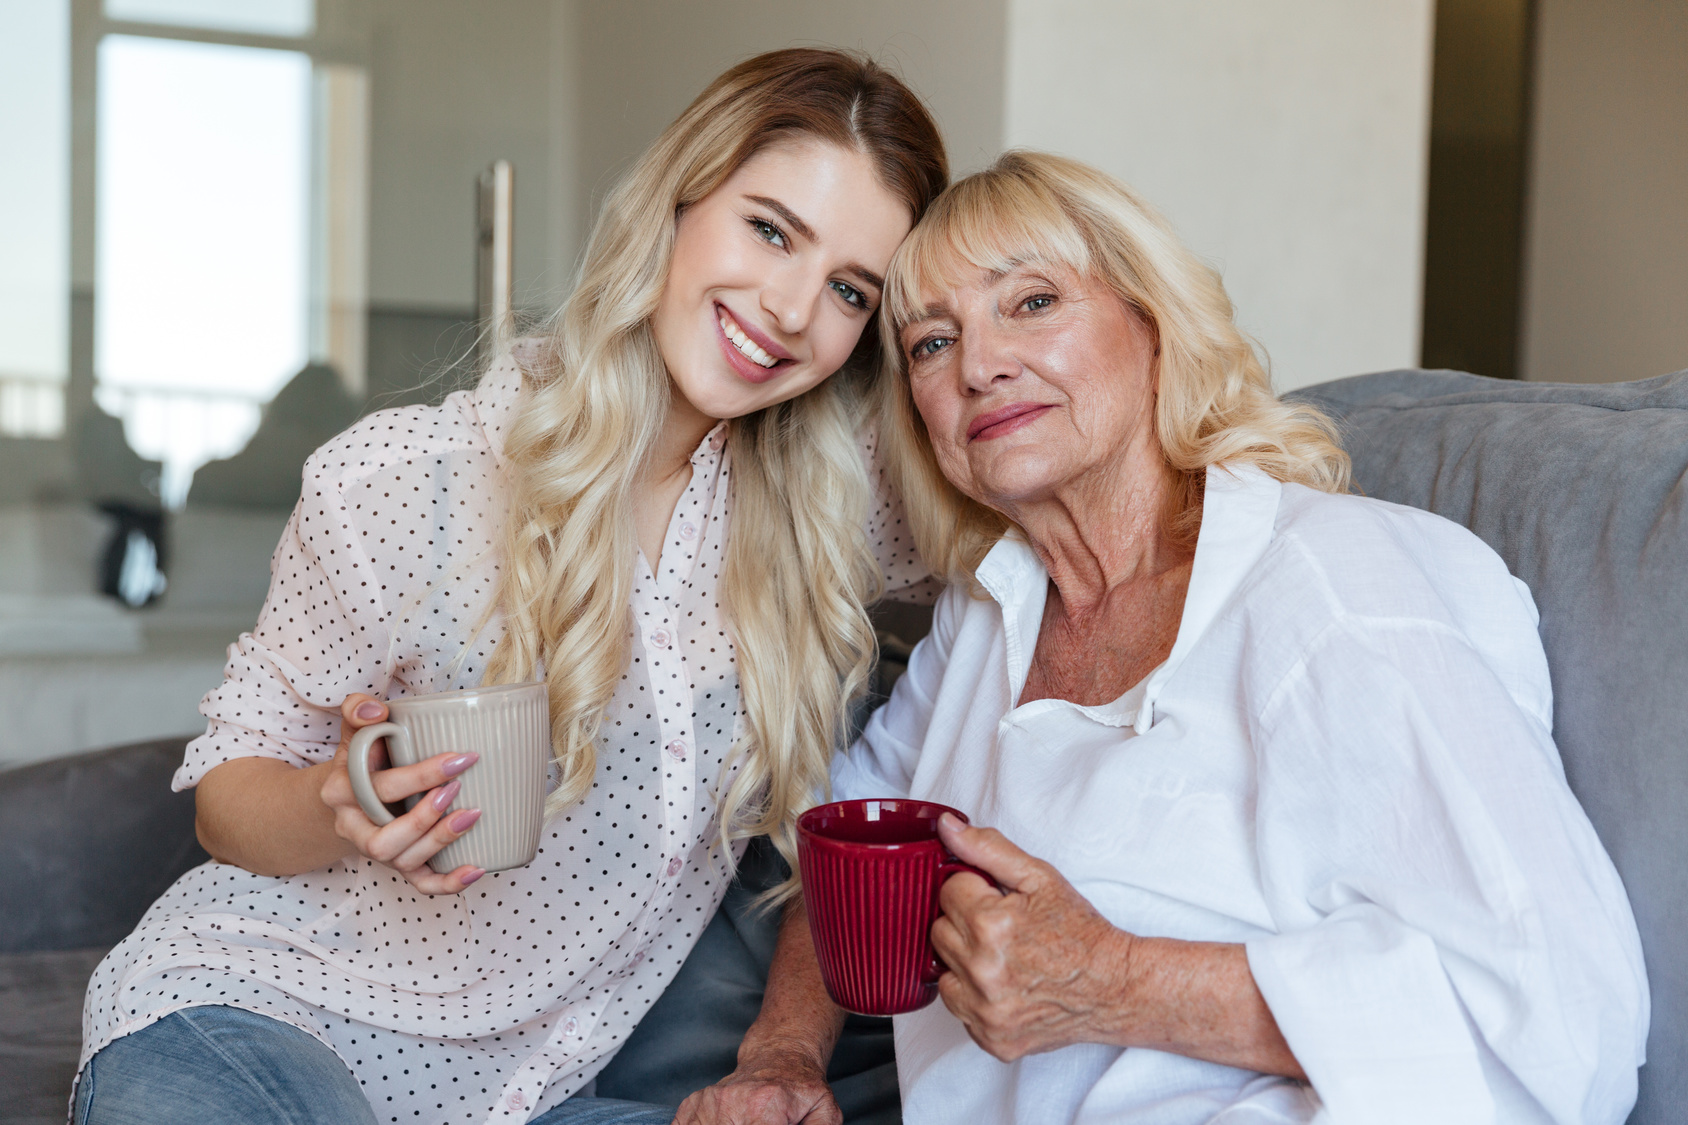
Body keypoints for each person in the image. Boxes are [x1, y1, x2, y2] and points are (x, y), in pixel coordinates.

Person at [685, 152, 1648, 1125]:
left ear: (1150, 324)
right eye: (931, 344)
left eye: (1030, 302)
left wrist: (1116, 980)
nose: (978, 366)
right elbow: (844, 852)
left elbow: (1558, 1014)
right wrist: (780, 1060)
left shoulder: (1330, 588)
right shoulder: (988, 616)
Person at [78, 49, 948, 1125]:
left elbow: (1070, 507)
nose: (788, 308)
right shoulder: (403, 483)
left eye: (848, 290)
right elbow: (225, 797)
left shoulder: (826, 516)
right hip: (260, 1025)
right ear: (678, 203)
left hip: (527, 1097)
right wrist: (337, 802)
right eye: (770, 230)